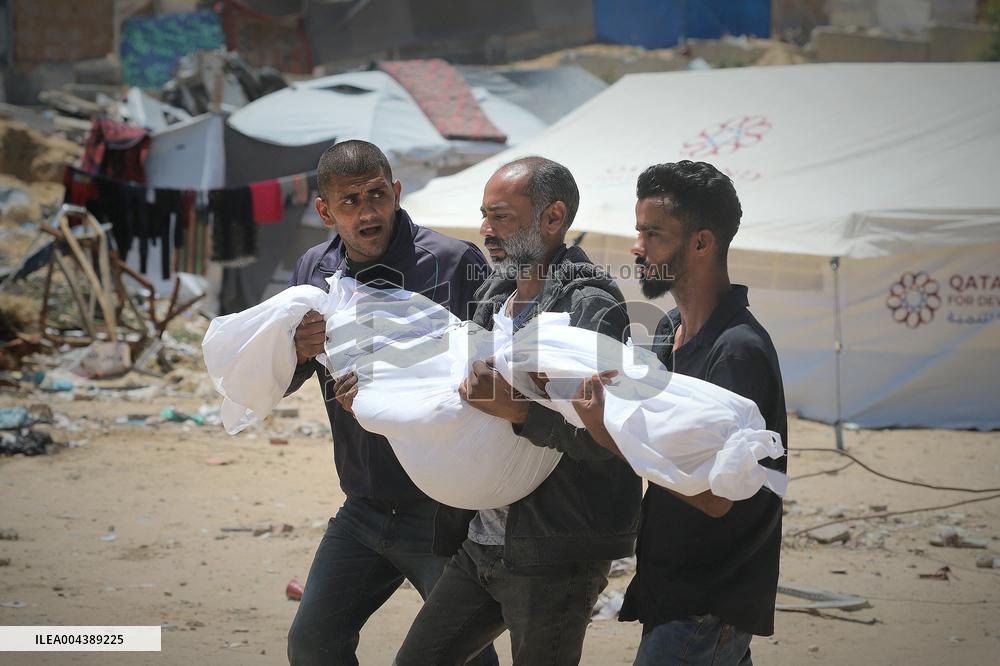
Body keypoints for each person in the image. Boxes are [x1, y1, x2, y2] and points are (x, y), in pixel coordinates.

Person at [395, 156, 642, 666]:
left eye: (502, 217)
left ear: (553, 218)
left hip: (554, 550)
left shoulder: (590, 306)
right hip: (484, 542)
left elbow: (610, 435)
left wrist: (519, 412)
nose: (486, 230)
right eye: (484, 215)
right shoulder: (495, 295)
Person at [284, 140, 498, 666]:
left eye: (377, 195)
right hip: (363, 506)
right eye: (350, 201)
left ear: (397, 193)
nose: (367, 212)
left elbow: (494, 371)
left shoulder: (454, 263)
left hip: (442, 510)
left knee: (462, 656)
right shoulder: (314, 270)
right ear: (325, 210)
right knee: (312, 645)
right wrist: (294, 351)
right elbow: (282, 378)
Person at [570, 160, 788, 665]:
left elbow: (716, 497)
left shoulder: (737, 351)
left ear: (702, 243)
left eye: (654, 233)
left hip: (707, 603)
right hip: (677, 590)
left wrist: (610, 434)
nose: (637, 247)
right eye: (638, 231)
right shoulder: (671, 329)